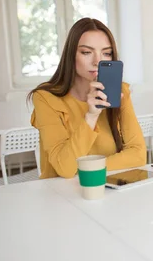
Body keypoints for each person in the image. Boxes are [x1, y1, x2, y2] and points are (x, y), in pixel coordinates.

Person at [29, 18, 146, 179]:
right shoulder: (46, 98)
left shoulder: (120, 91)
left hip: (111, 189)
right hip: (62, 194)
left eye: (106, 53)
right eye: (86, 52)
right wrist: (91, 116)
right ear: (71, 55)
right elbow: (65, 168)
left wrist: (85, 168)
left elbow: (138, 156)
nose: (97, 61)